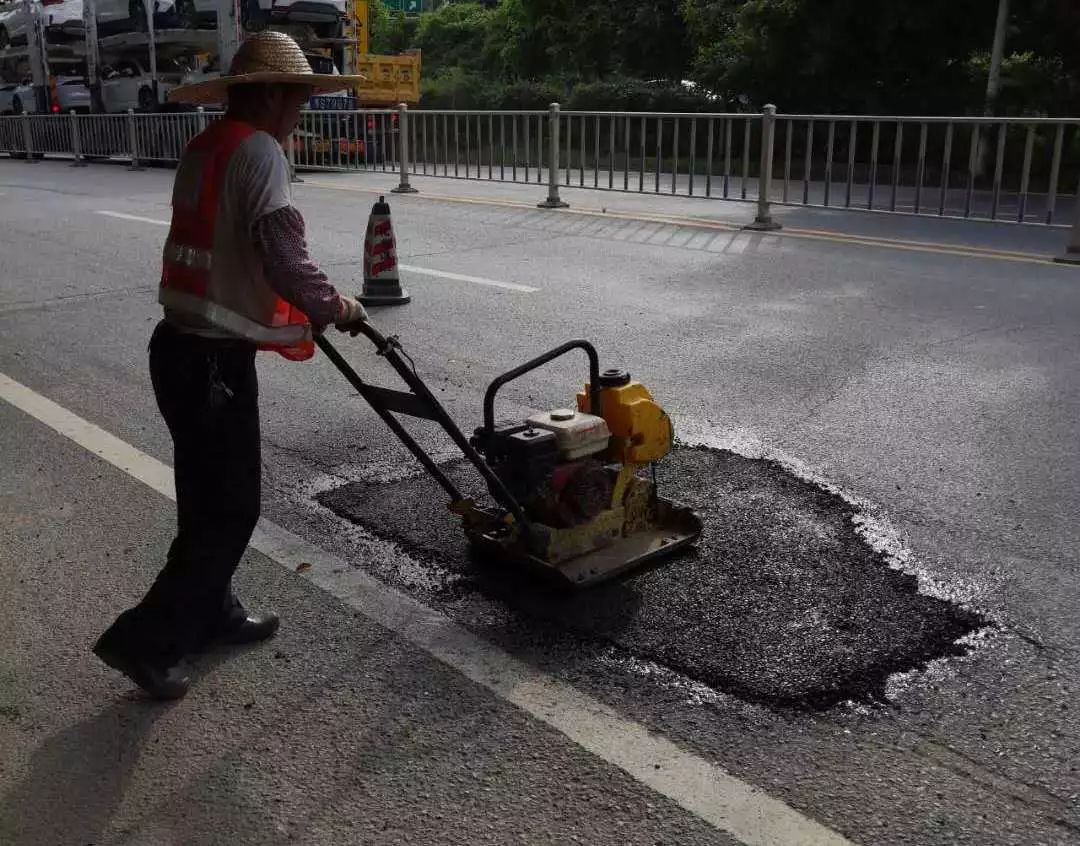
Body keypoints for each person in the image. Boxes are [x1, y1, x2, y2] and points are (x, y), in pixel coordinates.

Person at [93, 31, 370, 700]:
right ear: (271, 93)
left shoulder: (205, 145)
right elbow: (284, 256)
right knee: (231, 510)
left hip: (178, 347)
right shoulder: (262, 152)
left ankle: (211, 612)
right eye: (299, 93)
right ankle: (147, 640)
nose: (303, 106)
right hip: (212, 360)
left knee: (204, 501)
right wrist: (338, 306)